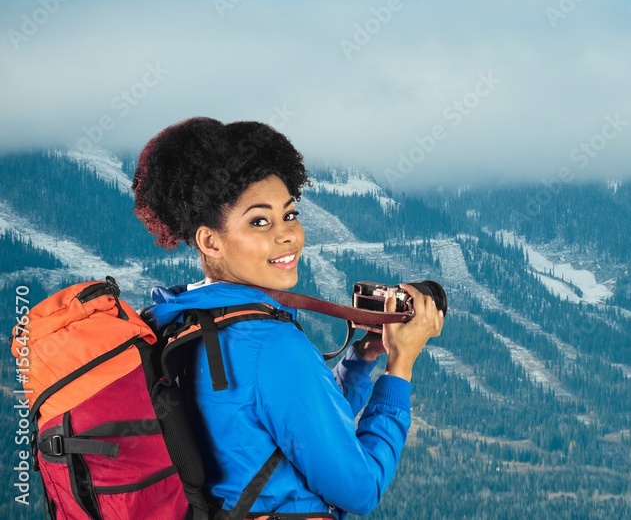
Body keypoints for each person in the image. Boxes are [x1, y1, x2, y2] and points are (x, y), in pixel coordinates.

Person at [133, 117, 444, 518]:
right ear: (210, 240)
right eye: (259, 221)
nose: (288, 236)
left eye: (290, 214)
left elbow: (298, 430)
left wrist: (361, 359)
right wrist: (400, 368)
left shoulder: (178, 320)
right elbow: (360, 490)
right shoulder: (270, 343)